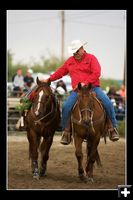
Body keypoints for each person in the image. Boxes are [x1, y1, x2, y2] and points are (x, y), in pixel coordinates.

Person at [40, 39, 119, 144]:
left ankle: (112, 128)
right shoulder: (70, 61)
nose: (75, 53)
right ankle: (66, 131)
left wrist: (85, 82)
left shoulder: (91, 58)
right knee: (66, 107)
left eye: (77, 50)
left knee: (108, 103)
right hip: (77, 91)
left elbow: (96, 73)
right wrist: (49, 79)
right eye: (74, 51)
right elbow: (60, 72)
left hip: (93, 88)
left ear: (82, 49)